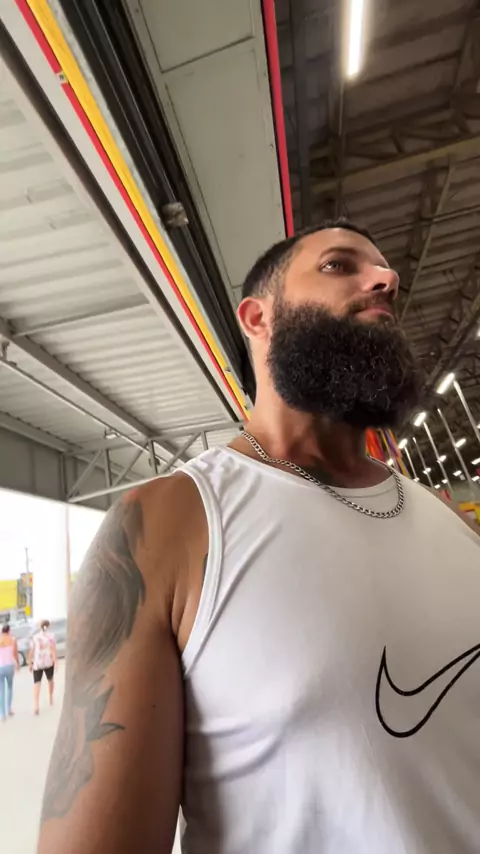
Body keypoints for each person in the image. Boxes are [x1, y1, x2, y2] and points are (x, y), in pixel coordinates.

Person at [37, 219, 480, 854]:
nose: (387, 279)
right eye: (339, 265)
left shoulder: (447, 521)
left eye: (387, 273)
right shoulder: (167, 528)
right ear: (257, 318)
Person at [29, 620, 57, 715]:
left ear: (40, 626)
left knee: (37, 683)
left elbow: (31, 651)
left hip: (38, 663)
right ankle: (50, 697)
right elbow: (53, 650)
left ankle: (36, 706)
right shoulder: (51, 636)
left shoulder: (35, 637)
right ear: (48, 626)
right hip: (48, 662)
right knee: (50, 680)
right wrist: (55, 661)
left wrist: (30, 663)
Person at [0, 624, 19, 721]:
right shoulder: (12, 639)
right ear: (9, 631)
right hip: (9, 666)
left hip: (0, 667)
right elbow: (15, 654)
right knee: (10, 687)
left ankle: (2, 714)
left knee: (1, 690)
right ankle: (9, 709)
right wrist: (18, 665)